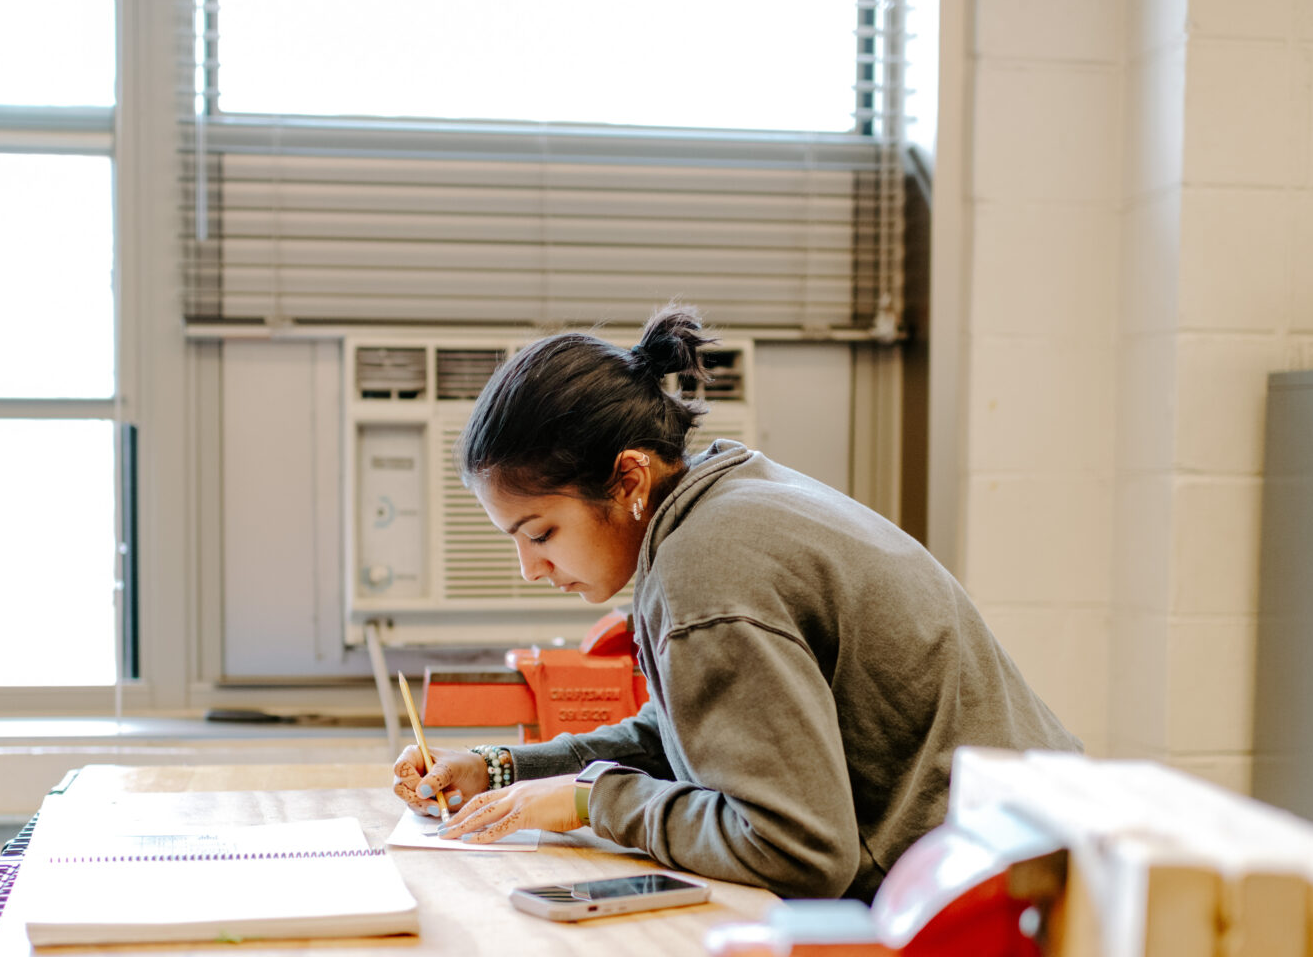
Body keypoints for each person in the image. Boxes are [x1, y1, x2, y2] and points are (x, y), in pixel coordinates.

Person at [394, 304, 1079, 901]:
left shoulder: (705, 568)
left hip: (999, 914)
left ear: (628, 474)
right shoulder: (726, 497)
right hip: (1031, 863)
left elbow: (799, 852)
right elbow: (700, 737)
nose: (530, 569)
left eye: (541, 533)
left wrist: (592, 802)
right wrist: (506, 771)